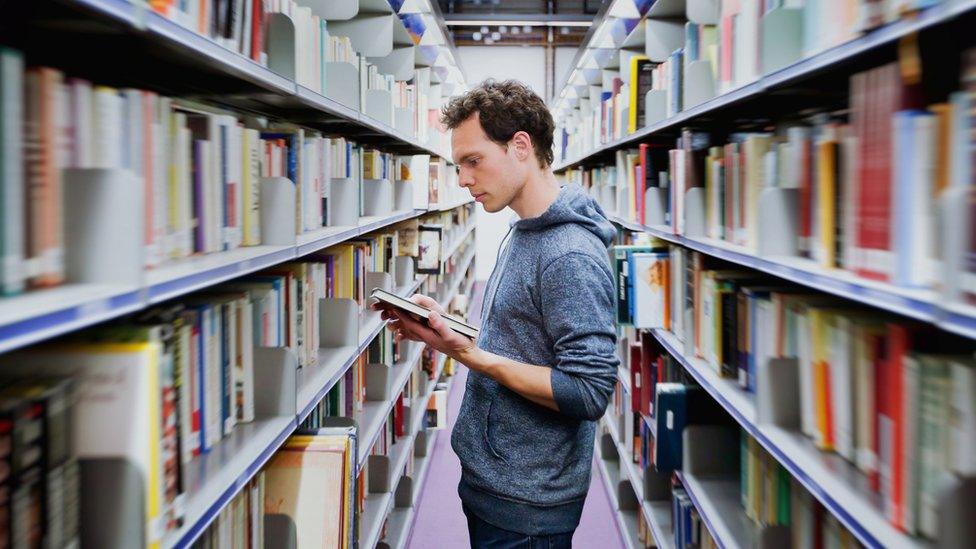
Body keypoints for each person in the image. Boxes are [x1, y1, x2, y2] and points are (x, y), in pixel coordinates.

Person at [376, 79, 619, 548]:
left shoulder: (569, 254)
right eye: (458, 165)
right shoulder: (524, 229)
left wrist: (467, 354)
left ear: (521, 147)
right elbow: (523, 339)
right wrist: (443, 331)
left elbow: (589, 391)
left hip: (527, 505)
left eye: (473, 161)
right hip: (496, 481)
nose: (463, 179)